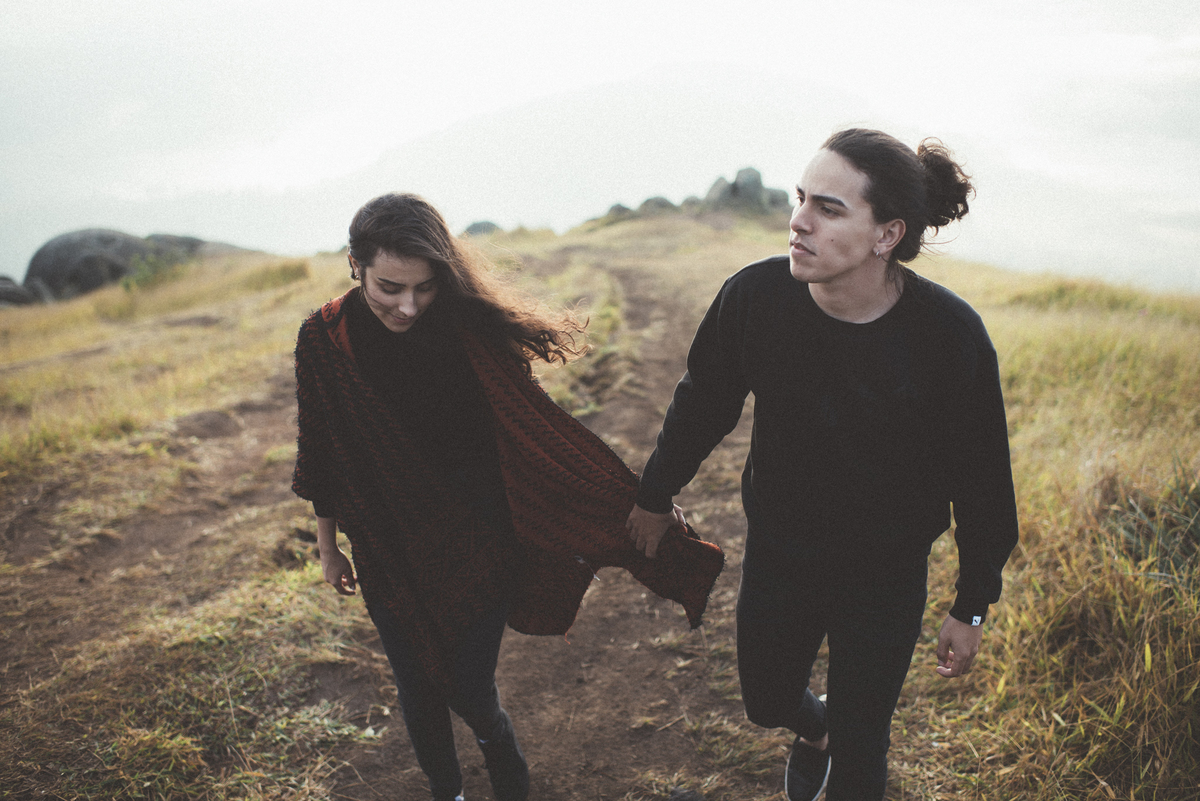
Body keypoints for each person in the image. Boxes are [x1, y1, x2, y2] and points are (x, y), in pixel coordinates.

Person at [625, 129, 1019, 801]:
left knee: (865, 751)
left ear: (886, 234)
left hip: (887, 575)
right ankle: (815, 730)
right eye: (800, 197)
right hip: (783, 553)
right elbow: (703, 403)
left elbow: (982, 480)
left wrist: (972, 605)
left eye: (828, 208)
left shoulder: (948, 337)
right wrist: (655, 493)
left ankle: (844, 742)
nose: (797, 220)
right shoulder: (755, 299)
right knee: (766, 697)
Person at [291, 193, 723, 801]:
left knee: (468, 687)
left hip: (481, 534)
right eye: (390, 287)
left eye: (425, 287)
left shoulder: (466, 328)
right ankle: (450, 793)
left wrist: (630, 496)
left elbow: (535, 427)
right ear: (354, 264)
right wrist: (328, 545)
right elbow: (322, 449)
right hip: (386, 541)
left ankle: (504, 765)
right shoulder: (323, 339)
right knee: (415, 684)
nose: (408, 306)